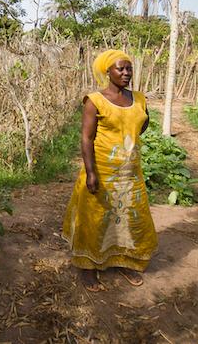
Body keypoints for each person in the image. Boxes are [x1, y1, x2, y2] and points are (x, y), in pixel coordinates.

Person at [61, 49, 157, 291]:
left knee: (128, 218)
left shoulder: (139, 98)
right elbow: (86, 138)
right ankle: (88, 267)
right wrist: (91, 172)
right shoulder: (95, 100)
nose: (126, 73)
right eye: (120, 69)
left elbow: (142, 124)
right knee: (95, 219)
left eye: (129, 68)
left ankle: (124, 260)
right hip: (102, 170)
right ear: (107, 72)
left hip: (130, 173)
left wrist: (127, 145)